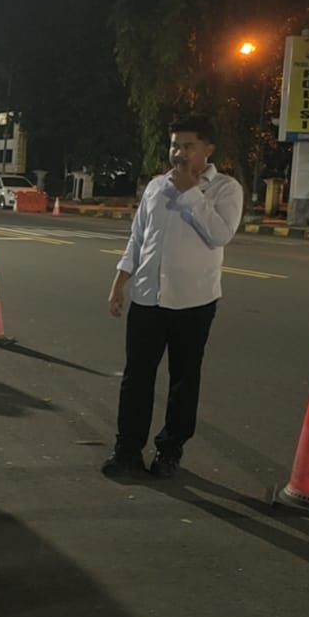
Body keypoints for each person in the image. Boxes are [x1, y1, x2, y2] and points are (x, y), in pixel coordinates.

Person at [103, 115, 243, 479]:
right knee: (136, 378)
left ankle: (170, 450)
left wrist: (190, 192)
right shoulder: (155, 187)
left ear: (208, 149)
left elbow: (220, 235)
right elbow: (138, 239)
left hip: (194, 302)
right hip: (147, 298)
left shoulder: (225, 189)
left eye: (188, 146)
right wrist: (119, 283)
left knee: (184, 379)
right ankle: (127, 450)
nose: (179, 153)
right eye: (174, 145)